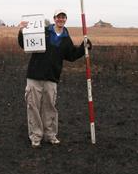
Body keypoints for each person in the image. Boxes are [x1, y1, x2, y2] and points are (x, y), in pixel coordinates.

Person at [18, 9, 91, 148]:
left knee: (50, 107)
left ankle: (50, 135)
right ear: (54, 18)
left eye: (63, 17)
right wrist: (22, 31)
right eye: (58, 17)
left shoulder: (65, 38)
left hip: (52, 78)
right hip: (34, 76)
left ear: (65, 20)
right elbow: (24, 44)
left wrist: (83, 48)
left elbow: (71, 55)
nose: (60, 19)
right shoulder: (42, 31)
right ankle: (36, 137)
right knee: (33, 107)